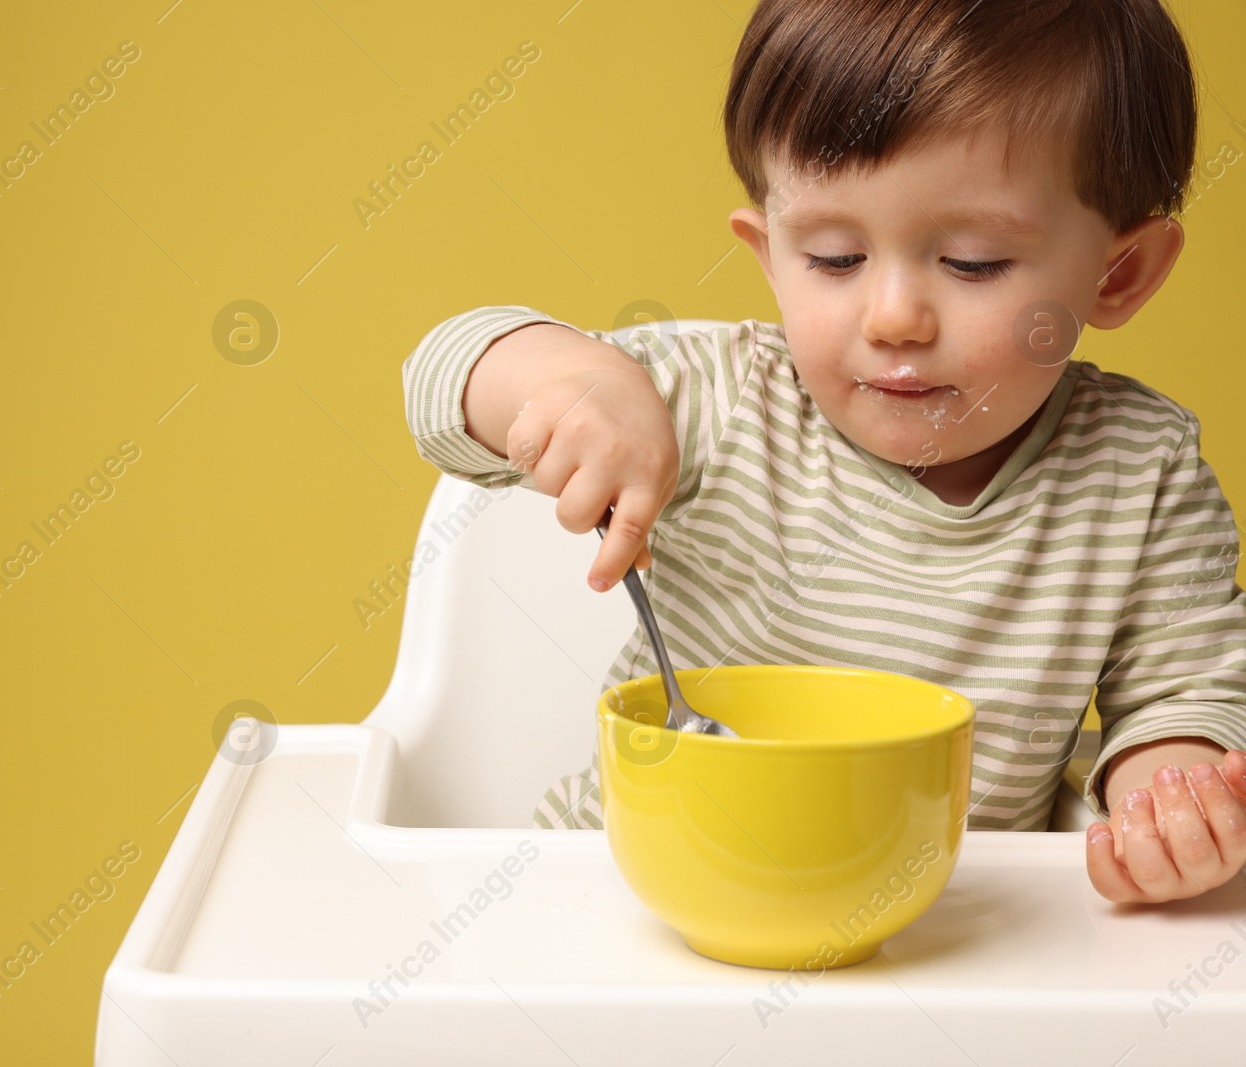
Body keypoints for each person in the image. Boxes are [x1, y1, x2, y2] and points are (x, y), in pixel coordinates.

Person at [399, 0, 1246, 904]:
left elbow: (1185, 693)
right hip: (637, 895)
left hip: (947, 931)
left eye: (971, 263)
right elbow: (437, 377)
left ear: (1118, 273)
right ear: (769, 255)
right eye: (836, 258)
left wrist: (1174, 799)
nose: (893, 318)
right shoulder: (708, 398)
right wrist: (562, 382)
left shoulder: (1139, 471)